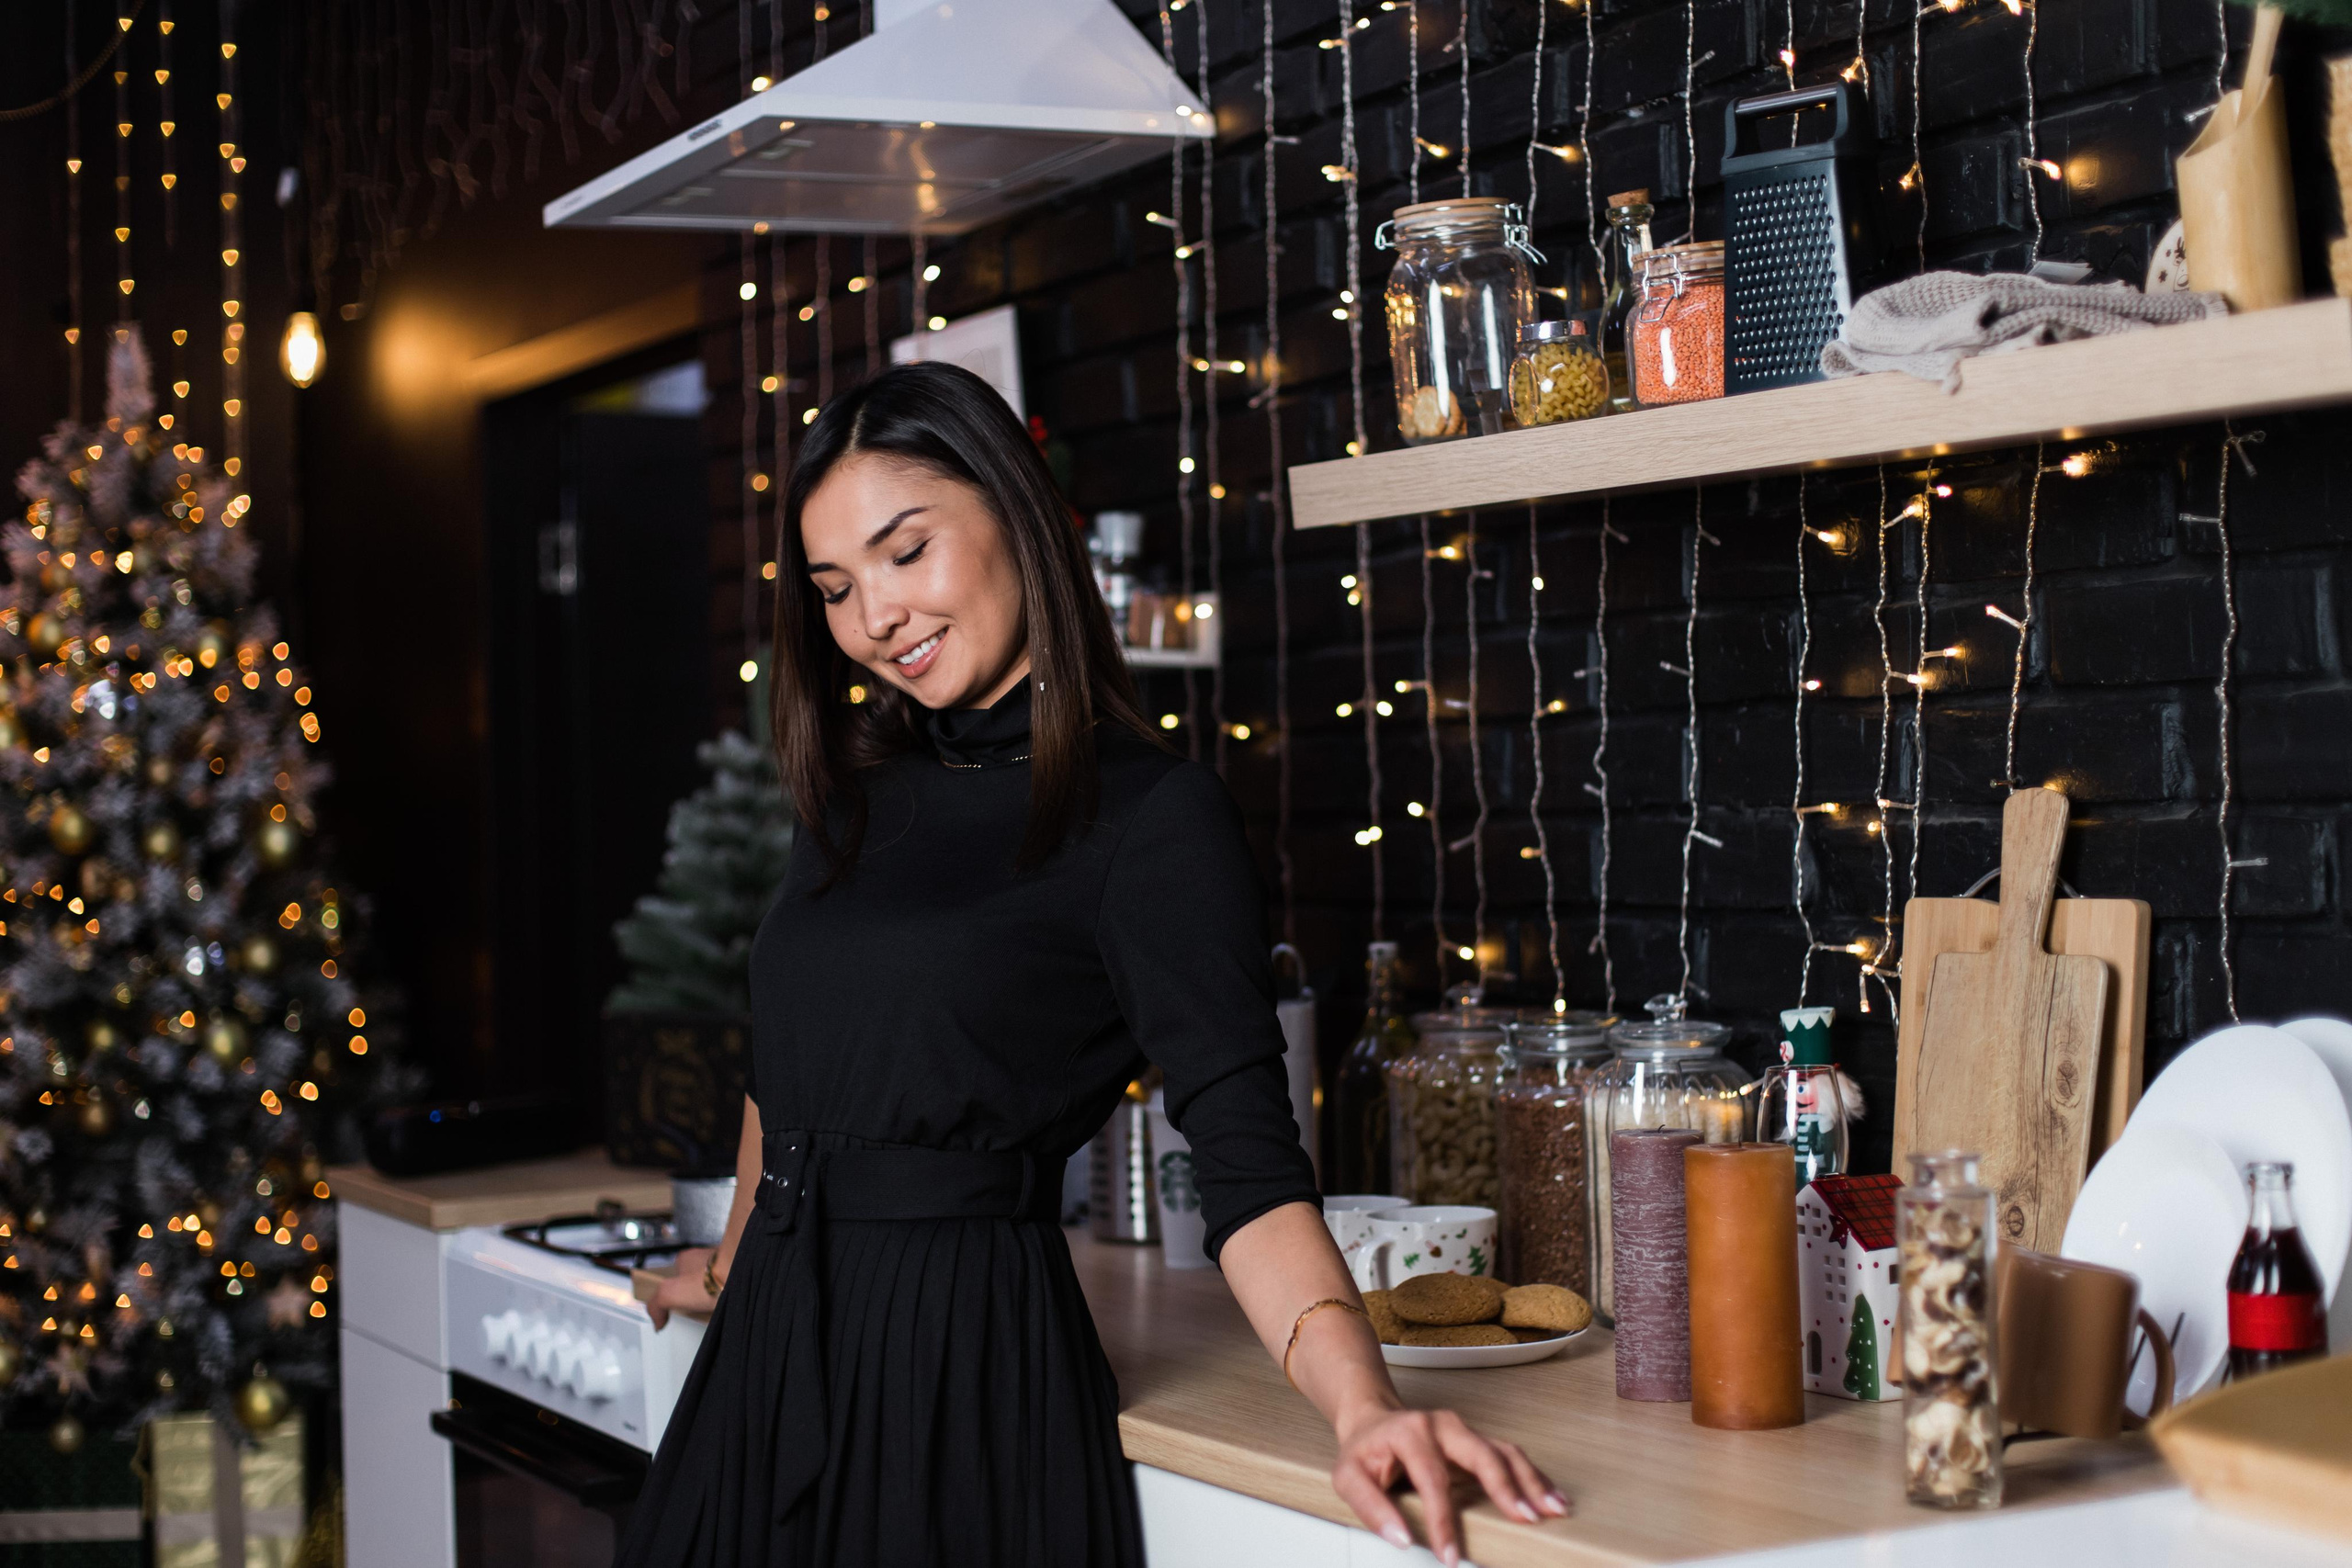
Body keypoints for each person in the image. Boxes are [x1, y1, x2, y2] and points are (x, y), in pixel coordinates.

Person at [622, 362, 1566, 1568]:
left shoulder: (1148, 819)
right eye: (836, 587)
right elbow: (787, 1075)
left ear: (1015, 514)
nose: (874, 618)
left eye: (906, 553)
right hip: (767, 1363)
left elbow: (1245, 1158)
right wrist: (732, 1264)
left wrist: (1363, 1405)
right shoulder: (855, 794)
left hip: (956, 1369)